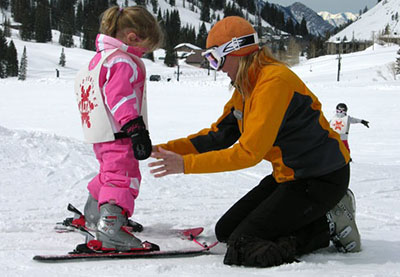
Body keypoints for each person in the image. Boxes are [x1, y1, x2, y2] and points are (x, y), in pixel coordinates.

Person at [148, 16, 361, 267]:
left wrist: (185, 164)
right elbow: (220, 135)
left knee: (244, 246)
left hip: (320, 178)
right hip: (290, 176)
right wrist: (162, 150)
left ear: (235, 52)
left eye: (215, 59)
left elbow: (248, 153)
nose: (217, 68)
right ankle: (313, 218)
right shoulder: (246, 85)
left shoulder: (273, 83)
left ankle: (328, 224)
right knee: (226, 231)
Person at [74, 5, 163, 251]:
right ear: (133, 37)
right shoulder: (124, 61)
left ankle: (94, 215)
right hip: (120, 132)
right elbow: (120, 97)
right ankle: (110, 228)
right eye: (145, 48)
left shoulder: (102, 58)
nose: (143, 53)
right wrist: (135, 128)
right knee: (123, 177)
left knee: (109, 174)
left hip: (103, 134)